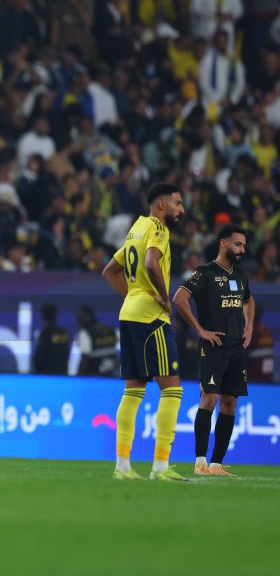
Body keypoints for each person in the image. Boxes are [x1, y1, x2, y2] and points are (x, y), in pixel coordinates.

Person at [102, 183, 187, 481]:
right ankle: (161, 467)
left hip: (129, 314)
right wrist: (164, 298)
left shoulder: (135, 229)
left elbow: (110, 270)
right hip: (152, 317)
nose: (182, 209)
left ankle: (122, 466)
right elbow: (152, 262)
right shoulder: (159, 230)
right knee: (172, 389)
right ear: (162, 205)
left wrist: (132, 296)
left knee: (134, 390)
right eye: (178, 203)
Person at [173, 224, 255, 477]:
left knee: (230, 404)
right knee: (209, 400)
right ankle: (200, 462)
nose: (242, 249)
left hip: (236, 349)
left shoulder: (240, 275)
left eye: (243, 245)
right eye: (237, 244)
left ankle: (217, 464)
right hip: (213, 347)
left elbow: (249, 300)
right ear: (223, 243)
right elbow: (179, 298)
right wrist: (200, 329)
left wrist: (249, 326)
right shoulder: (204, 273)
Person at [76, 305, 119, 377]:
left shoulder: (85, 332)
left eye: (80, 317)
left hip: (93, 375)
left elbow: (84, 358)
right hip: (110, 374)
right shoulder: (110, 330)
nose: (78, 320)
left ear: (88, 316)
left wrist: (80, 377)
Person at [31, 303, 71, 375]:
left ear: (43, 316)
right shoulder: (63, 333)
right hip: (62, 373)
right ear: (56, 315)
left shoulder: (46, 334)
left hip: (48, 375)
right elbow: (66, 353)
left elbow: (39, 357)